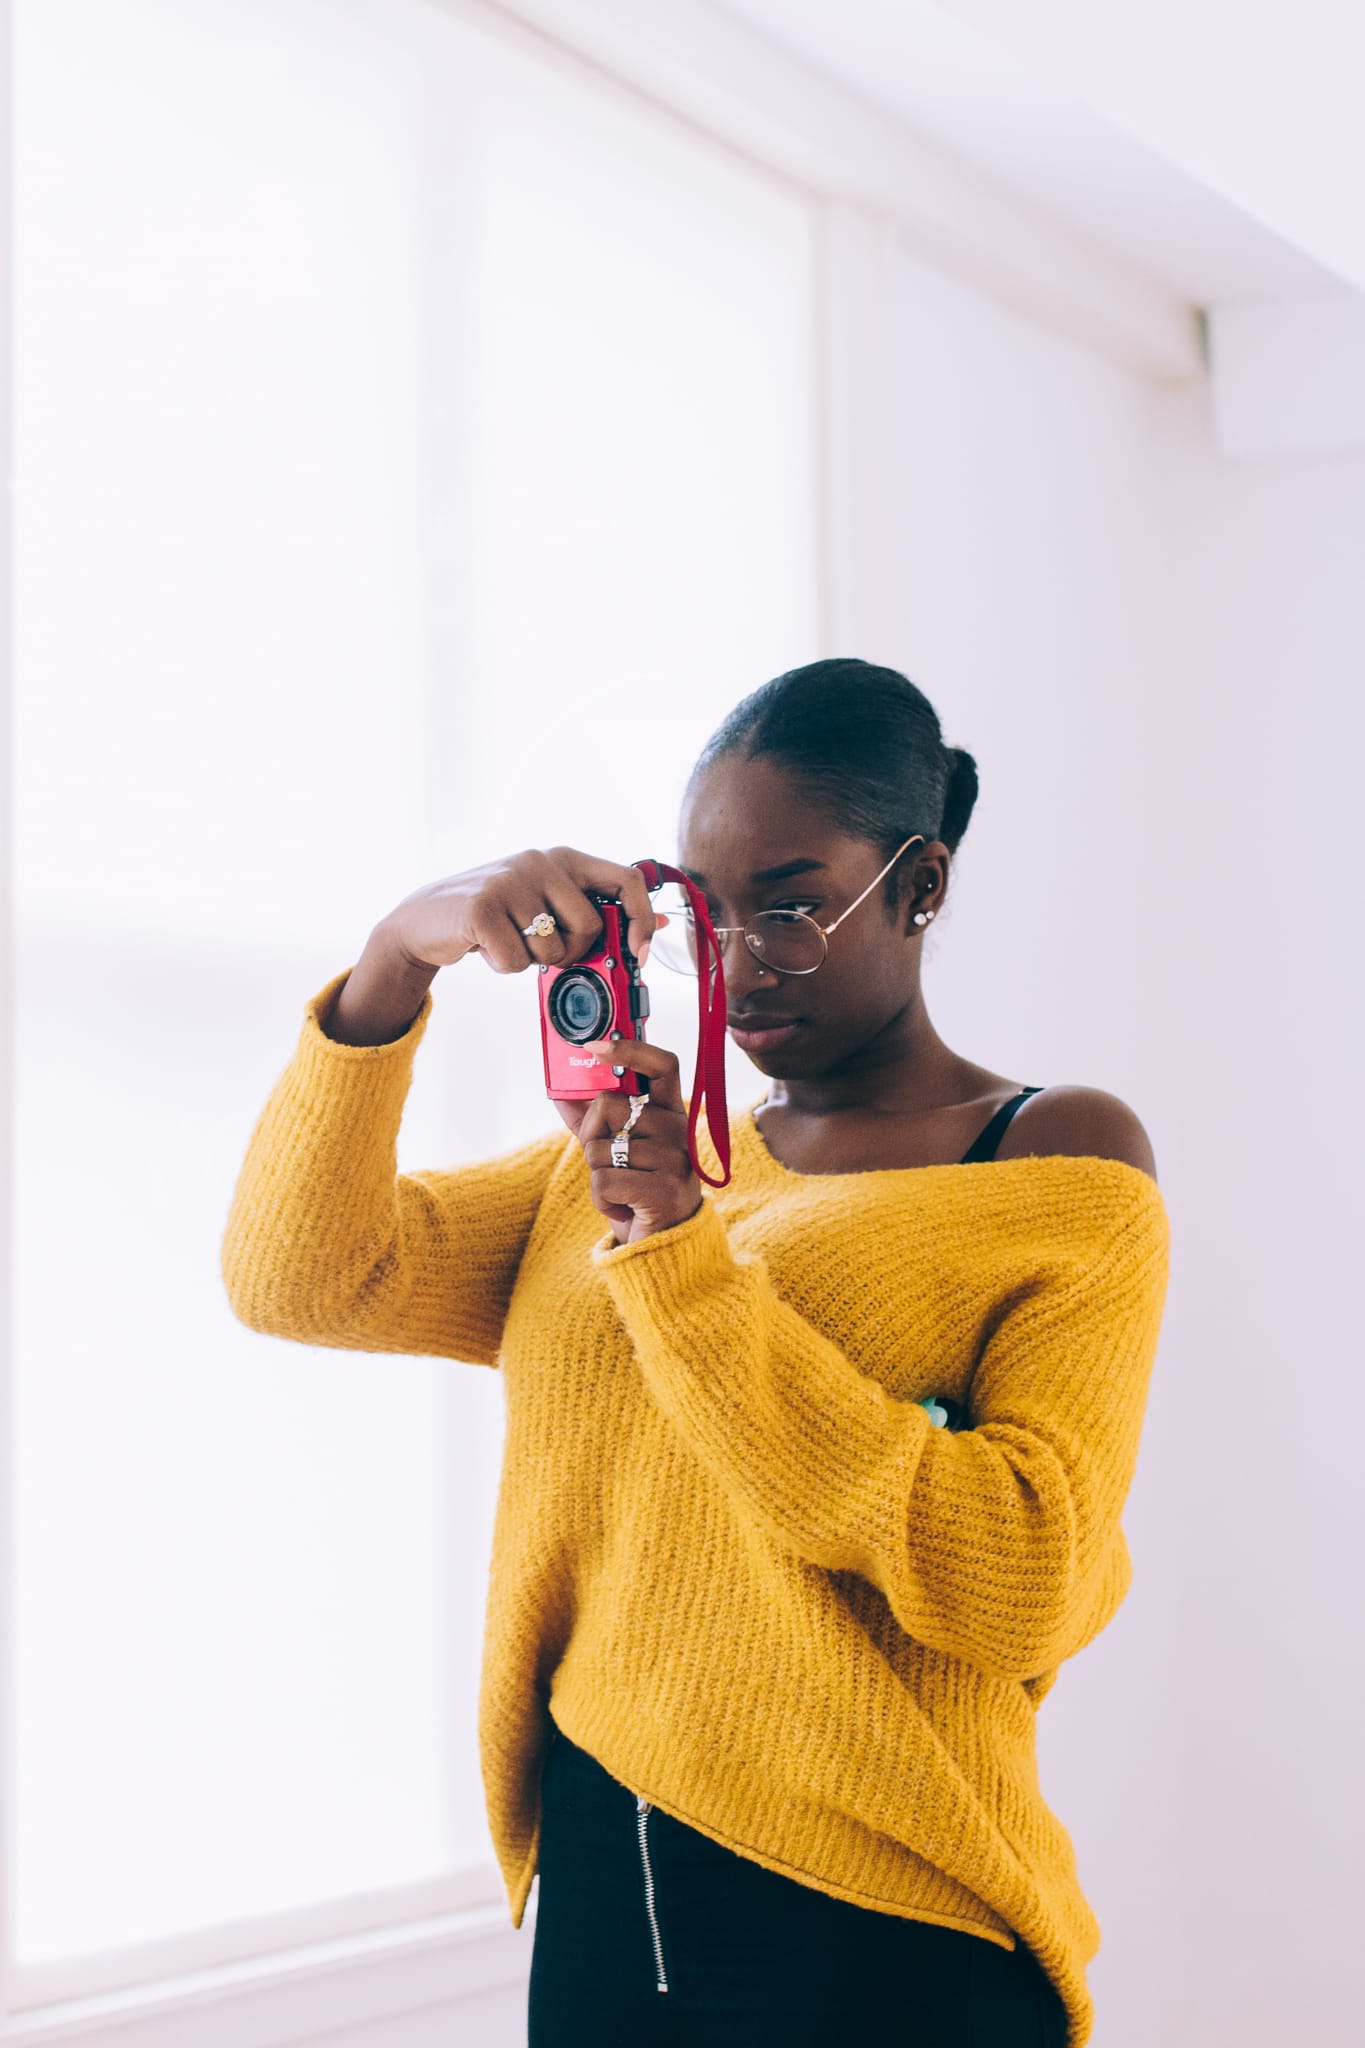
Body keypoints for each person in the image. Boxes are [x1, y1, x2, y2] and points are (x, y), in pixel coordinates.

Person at [221, 656, 1170, 2048]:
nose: (736, 961)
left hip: (887, 1921)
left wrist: (674, 1252)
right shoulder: (637, 1164)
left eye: (789, 904)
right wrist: (391, 962)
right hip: (611, 1881)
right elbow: (301, 1278)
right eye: (700, 917)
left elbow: (1019, 1579)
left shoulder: (1052, 1155)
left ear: (920, 882)